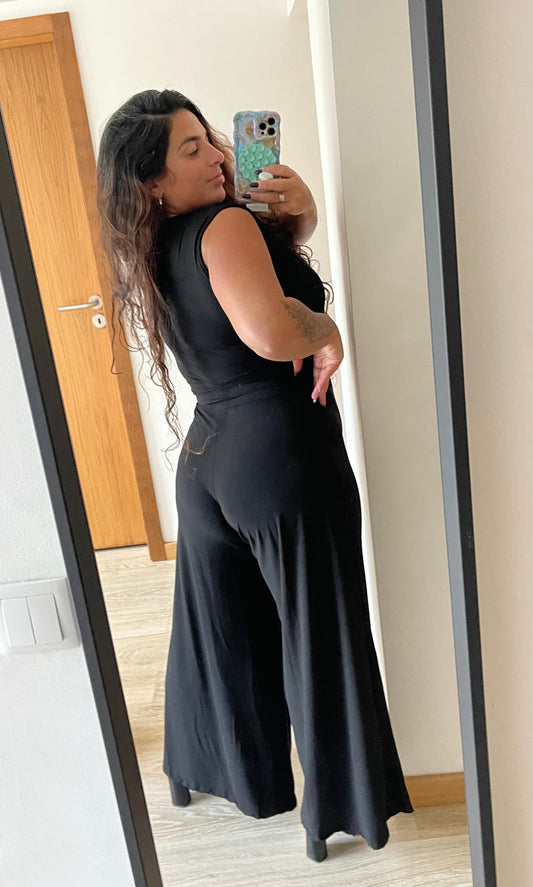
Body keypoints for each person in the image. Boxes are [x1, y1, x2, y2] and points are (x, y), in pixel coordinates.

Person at [97, 89, 413, 863]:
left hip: (209, 459)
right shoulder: (227, 225)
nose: (215, 155)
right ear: (152, 181)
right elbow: (272, 330)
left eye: (209, 139)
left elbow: (248, 287)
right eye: (190, 149)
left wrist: (296, 218)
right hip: (280, 455)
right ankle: (339, 810)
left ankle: (208, 771)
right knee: (320, 629)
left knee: (216, 630)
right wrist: (328, 328)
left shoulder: (155, 241)